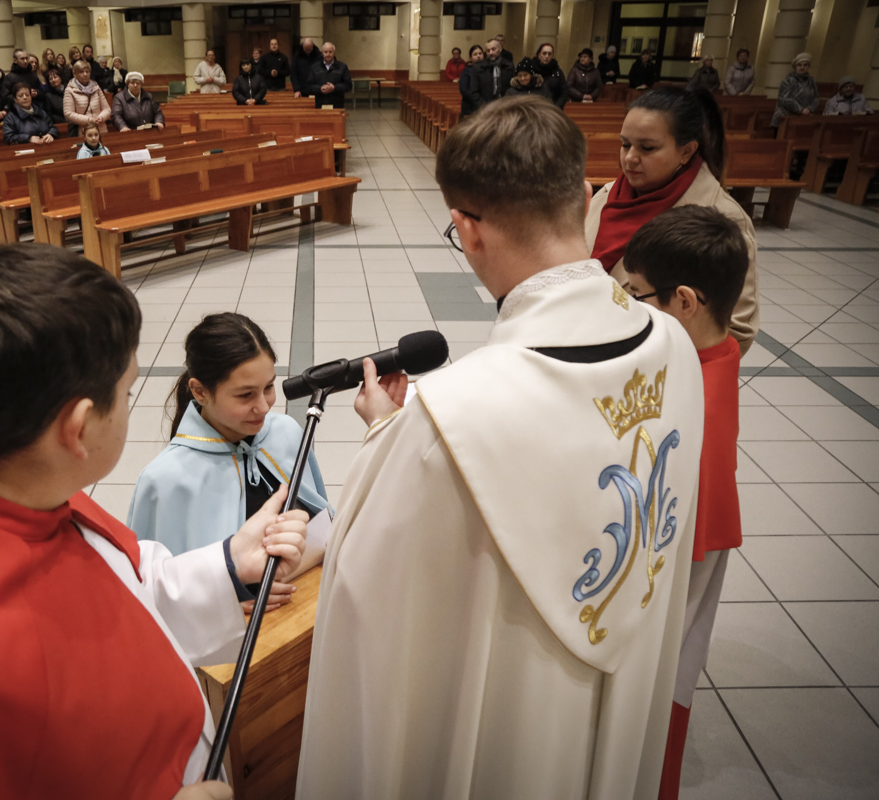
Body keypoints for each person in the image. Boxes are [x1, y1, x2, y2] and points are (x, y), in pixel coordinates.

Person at [296, 94, 705, 800]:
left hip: (514, 738)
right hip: (623, 675)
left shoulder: (449, 416)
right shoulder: (671, 342)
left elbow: (366, 604)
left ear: (468, 228)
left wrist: (387, 432)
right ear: (583, 197)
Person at [0, 244, 307, 800]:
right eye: (126, 392)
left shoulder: (19, 488)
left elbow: (127, 583)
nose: (130, 404)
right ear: (77, 428)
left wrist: (227, 564)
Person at [619, 205, 747, 800]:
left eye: (637, 295)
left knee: (659, 693)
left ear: (685, 302)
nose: (629, 306)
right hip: (690, 543)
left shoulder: (697, 409)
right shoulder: (712, 353)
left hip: (685, 561)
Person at [127, 313, 330, 606]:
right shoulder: (165, 480)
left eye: (269, 387)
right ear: (200, 392)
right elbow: (151, 593)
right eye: (246, 395)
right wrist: (225, 602)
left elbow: (323, 521)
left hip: (310, 600)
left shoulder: (287, 432)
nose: (264, 407)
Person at [587, 87, 758, 354]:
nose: (630, 157)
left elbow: (736, 330)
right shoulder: (607, 196)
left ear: (686, 151)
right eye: (625, 144)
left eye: (647, 148)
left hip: (652, 369)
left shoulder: (722, 218)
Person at [64, 60, 112, 137]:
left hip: (100, 129)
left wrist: (101, 117)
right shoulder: (70, 90)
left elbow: (107, 109)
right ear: (75, 74)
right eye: (81, 72)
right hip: (83, 132)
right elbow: (68, 113)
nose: (85, 74)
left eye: (87, 71)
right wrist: (89, 120)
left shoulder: (96, 87)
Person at [771, 53, 818, 128]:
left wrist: (809, 109)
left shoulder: (811, 82)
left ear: (808, 66)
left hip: (802, 119)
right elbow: (784, 99)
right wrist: (801, 110)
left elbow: (816, 98)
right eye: (799, 65)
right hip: (784, 118)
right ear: (795, 67)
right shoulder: (787, 81)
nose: (802, 67)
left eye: (805, 65)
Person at [466, 39, 513, 111]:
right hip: (484, 108)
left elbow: (512, 89)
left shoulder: (509, 66)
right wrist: (484, 107)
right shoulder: (478, 68)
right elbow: (474, 92)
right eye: (488, 51)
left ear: (500, 49)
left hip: (505, 107)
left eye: (493, 49)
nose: (491, 53)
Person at [307, 42, 351, 109]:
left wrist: (334, 88)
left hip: (337, 105)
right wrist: (320, 88)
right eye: (325, 52)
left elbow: (348, 85)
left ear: (334, 53)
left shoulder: (342, 67)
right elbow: (309, 86)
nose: (328, 54)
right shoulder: (314, 67)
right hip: (320, 105)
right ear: (322, 53)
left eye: (330, 52)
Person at [529, 43, 567, 108]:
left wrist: (556, 107)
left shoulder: (557, 72)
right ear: (539, 55)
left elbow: (564, 92)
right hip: (534, 107)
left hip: (553, 106)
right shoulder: (531, 70)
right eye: (544, 53)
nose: (546, 56)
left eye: (549, 54)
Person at [458, 44, 486, 118]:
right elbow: (463, 89)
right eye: (475, 54)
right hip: (470, 107)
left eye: (480, 53)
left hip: (485, 106)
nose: (478, 56)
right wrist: (477, 99)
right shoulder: (467, 71)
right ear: (470, 57)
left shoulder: (487, 70)